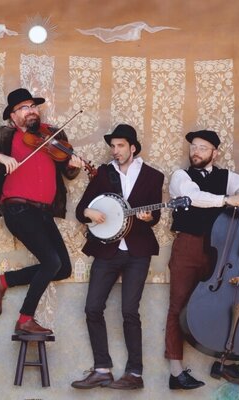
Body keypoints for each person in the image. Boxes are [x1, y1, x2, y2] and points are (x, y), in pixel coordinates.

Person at [0, 88, 83, 335]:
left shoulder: (51, 135)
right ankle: (25, 319)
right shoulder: (4, 135)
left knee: (63, 268)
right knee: (51, 262)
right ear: (13, 116)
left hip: (44, 213)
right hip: (18, 208)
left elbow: (68, 171)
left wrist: (74, 165)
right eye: (24, 107)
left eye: (33, 106)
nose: (31, 111)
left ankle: (2, 280)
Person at [165, 129, 239, 389]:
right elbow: (193, 197)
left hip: (221, 250)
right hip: (188, 246)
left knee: (226, 303)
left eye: (202, 148)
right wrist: (226, 200)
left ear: (215, 153)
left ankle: (225, 363)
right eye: (193, 147)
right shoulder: (180, 176)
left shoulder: (227, 177)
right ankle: (176, 372)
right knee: (178, 305)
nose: (196, 152)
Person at [71, 125, 164, 390]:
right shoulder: (104, 173)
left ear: (133, 147)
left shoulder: (153, 176)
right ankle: (102, 369)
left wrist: (149, 217)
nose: (115, 150)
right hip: (107, 251)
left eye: (120, 145)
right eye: (113, 146)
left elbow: (156, 217)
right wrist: (89, 212)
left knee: (129, 312)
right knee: (92, 308)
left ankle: (134, 373)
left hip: (138, 252)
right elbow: (81, 210)